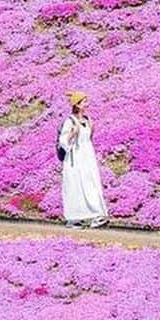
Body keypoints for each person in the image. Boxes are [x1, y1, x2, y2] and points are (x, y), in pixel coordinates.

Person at [58, 91, 109, 227]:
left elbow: (87, 139)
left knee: (91, 183)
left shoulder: (87, 120)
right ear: (78, 105)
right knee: (75, 186)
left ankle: (97, 214)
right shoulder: (70, 121)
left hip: (87, 157)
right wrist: (72, 134)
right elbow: (63, 141)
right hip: (76, 158)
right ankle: (75, 218)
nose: (87, 104)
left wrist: (91, 131)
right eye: (84, 101)